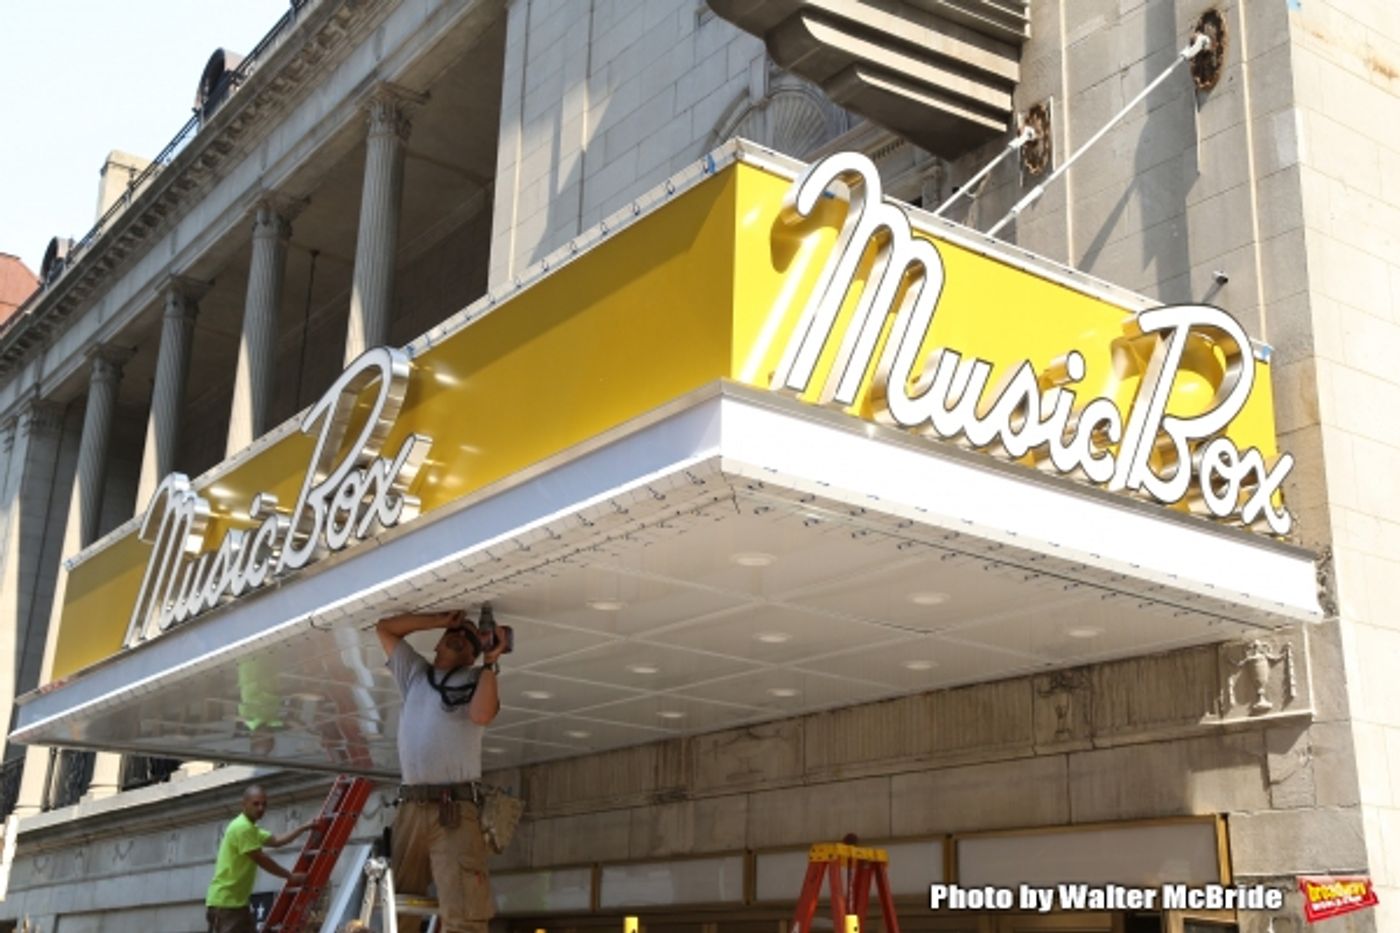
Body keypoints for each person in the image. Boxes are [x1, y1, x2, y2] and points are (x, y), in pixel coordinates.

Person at [376, 609, 504, 933]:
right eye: (457, 633)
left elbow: (482, 714)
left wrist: (490, 663)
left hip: (454, 808)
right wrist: (440, 620)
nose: (462, 636)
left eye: (471, 638)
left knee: (464, 910)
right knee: (399, 907)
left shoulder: (476, 679)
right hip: (411, 806)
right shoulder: (416, 675)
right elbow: (386, 629)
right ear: (437, 643)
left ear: (473, 656)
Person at [205, 784, 316, 933]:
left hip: (236, 903)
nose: (261, 808)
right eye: (256, 803)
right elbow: (261, 858)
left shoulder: (251, 828)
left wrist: (303, 827)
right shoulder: (242, 828)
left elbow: (277, 841)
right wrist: (290, 876)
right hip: (227, 903)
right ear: (244, 804)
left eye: (264, 804)